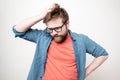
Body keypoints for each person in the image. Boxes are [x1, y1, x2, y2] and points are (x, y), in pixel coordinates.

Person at [12, 3, 108, 80]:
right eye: (50, 29)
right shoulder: (43, 36)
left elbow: (103, 54)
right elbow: (18, 30)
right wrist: (41, 16)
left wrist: (85, 73)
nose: (53, 33)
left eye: (57, 28)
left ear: (67, 24)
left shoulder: (81, 40)